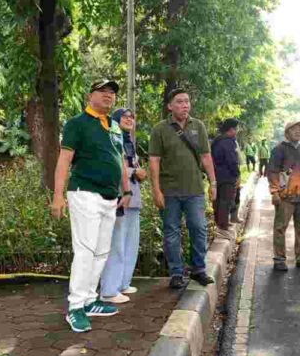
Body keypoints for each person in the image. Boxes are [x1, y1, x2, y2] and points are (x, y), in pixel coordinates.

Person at [51, 80, 132, 333]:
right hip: (84, 193)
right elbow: (64, 160)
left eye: (112, 93)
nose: (109, 96)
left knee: (100, 252)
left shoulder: (115, 128)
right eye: (103, 92)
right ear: (90, 96)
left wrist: (126, 189)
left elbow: (119, 160)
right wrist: (57, 196)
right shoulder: (77, 124)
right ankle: (75, 306)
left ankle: (89, 300)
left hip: (110, 197)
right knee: (85, 250)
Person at [149, 88, 217, 289]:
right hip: (169, 191)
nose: (185, 105)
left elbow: (206, 156)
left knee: (199, 228)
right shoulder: (159, 129)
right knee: (171, 232)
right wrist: (156, 190)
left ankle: (198, 270)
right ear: (170, 106)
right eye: (179, 101)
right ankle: (176, 273)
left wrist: (213, 182)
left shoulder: (199, 126)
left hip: (194, 189)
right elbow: (154, 161)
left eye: (187, 101)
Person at [99, 108, 146, 304]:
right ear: (115, 121)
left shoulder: (128, 142)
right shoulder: (110, 139)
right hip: (118, 196)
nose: (129, 119)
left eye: (131, 117)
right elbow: (109, 164)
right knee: (116, 244)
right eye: (124, 117)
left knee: (130, 243)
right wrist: (134, 172)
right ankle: (109, 289)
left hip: (133, 198)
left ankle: (122, 283)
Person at [268, 122, 300, 271]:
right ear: (287, 133)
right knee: (280, 228)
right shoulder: (279, 150)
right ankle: (279, 259)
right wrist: (274, 192)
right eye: (294, 129)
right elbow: (272, 172)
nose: (298, 132)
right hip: (285, 197)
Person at [211, 118, 240, 239]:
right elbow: (232, 160)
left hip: (217, 175)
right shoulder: (228, 142)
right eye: (236, 128)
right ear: (231, 129)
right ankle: (222, 227)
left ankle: (221, 223)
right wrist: (237, 174)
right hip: (227, 176)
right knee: (226, 201)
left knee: (219, 200)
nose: (237, 131)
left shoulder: (217, 141)